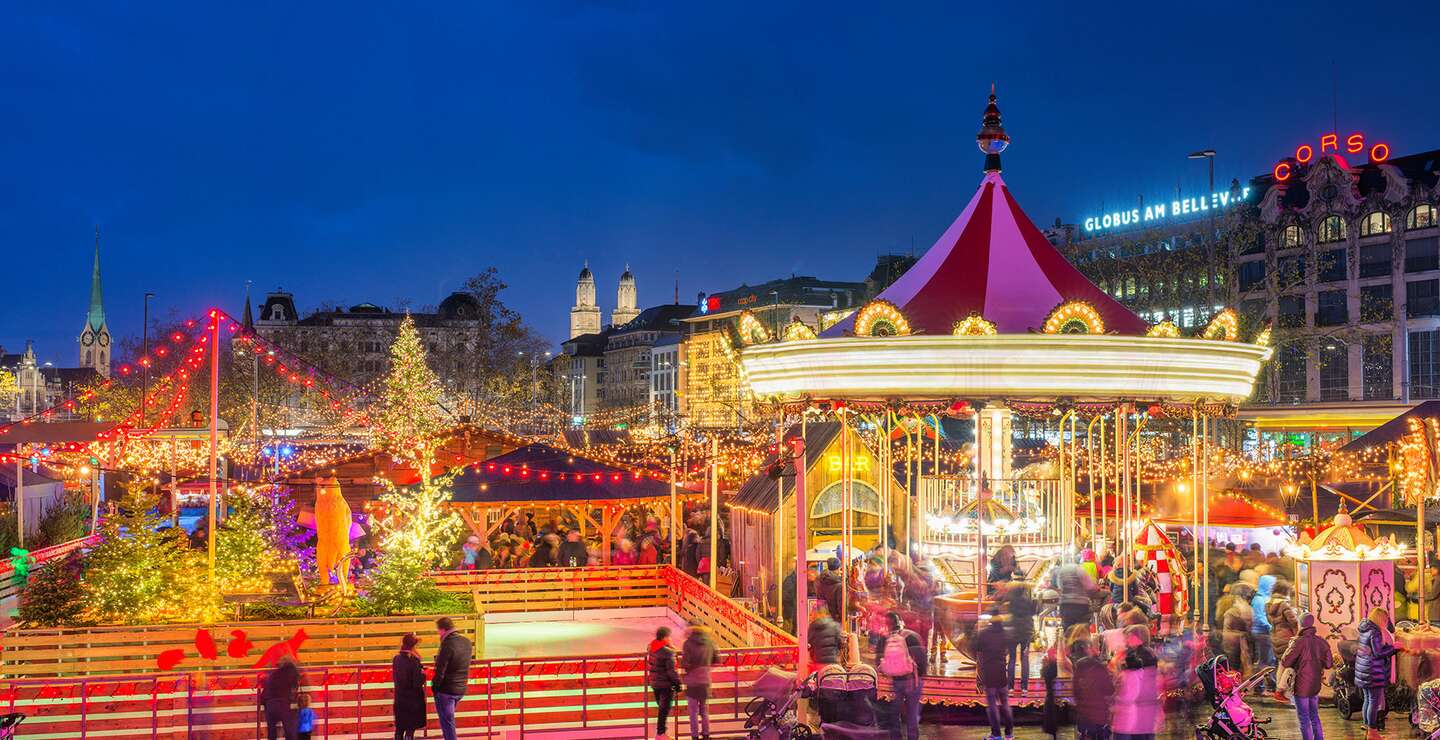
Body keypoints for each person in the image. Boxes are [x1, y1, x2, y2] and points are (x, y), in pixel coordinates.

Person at [1281, 613, 1332, 740]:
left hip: (1300, 685)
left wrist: (1290, 646)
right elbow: (1329, 664)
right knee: (1314, 716)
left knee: (1304, 718)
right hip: (1315, 685)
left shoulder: (1298, 642)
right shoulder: (1322, 642)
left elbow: (1285, 662)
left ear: (1300, 624)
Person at [879, 611, 925, 740]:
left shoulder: (887, 638)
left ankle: (895, 737)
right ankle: (912, 737)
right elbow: (921, 659)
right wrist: (919, 675)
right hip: (912, 680)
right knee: (912, 714)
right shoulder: (912, 636)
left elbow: (880, 660)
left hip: (896, 680)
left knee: (894, 713)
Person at [1111, 624, 1161, 740]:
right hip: (1143, 709)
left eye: (1129, 636)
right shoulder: (1142, 653)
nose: (1126, 640)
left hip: (1139, 708)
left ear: (1137, 637)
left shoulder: (1142, 655)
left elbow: (1136, 684)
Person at [1355, 606, 1397, 739]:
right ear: (1380, 619)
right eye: (1385, 619)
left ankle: (1368, 727)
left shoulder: (1365, 628)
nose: (1386, 621)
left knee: (1368, 699)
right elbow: (1379, 653)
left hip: (1365, 670)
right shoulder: (1375, 632)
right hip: (1373, 672)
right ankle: (1373, 732)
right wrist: (1395, 648)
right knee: (1373, 701)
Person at [432, 617, 473, 740]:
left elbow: (441, 669)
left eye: (438, 630)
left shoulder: (447, 644)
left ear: (443, 629)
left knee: (447, 723)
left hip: (447, 690)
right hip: (460, 688)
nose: (438, 633)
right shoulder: (466, 642)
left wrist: (435, 687)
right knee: (448, 720)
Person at [975, 613, 1013, 740]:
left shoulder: (984, 634)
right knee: (1005, 704)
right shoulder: (1005, 634)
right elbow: (1008, 650)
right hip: (1002, 673)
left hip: (989, 673)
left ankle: (996, 734)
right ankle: (1009, 733)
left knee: (992, 706)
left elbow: (977, 650)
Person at [681, 624, 720, 740]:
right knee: (704, 711)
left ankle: (694, 736)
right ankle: (706, 734)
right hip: (705, 680)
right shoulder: (711, 642)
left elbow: (685, 663)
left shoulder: (687, 643)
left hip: (692, 682)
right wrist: (706, 669)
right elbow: (717, 660)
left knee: (693, 712)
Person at [1071, 636, 1114, 740]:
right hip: (1099, 714)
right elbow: (1109, 690)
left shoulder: (1078, 669)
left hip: (1084, 715)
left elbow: (1076, 692)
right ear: (1089, 649)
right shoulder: (1100, 668)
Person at [647, 626, 681, 740]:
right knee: (664, 710)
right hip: (665, 684)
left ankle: (661, 733)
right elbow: (671, 671)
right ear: (665, 637)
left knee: (662, 709)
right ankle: (660, 734)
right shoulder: (668, 653)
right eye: (669, 636)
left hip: (655, 682)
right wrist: (678, 684)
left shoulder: (651, 647)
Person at [392, 633, 427, 740]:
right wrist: (423, 674)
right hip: (413, 700)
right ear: (413, 646)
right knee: (410, 731)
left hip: (400, 698)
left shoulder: (396, 659)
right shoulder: (414, 661)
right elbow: (417, 682)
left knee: (399, 729)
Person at [1003, 581, 1036, 693]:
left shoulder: (1011, 601)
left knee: (1012, 659)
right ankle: (1024, 687)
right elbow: (1033, 612)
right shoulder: (1028, 601)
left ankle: (1010, 687)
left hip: (1013, 632)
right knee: (1024, 659)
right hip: (1026, 632)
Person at [260, 654, 302, 740]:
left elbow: (263, 695)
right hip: (282, 703)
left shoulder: (273, 674)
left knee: (272, 732)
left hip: (269, 704)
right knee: (289, 730)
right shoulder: (291, 670)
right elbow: (295, 686)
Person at [1052, 554, 1097, 630]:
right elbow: (1089, 587)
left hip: (1065, 605)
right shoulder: (1079, 569)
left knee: (1068, 631)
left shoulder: (1061, 571)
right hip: (1079, 605)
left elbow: (1060, 586)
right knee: (1081, 631)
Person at [1249, 575, 1277, 693]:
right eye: (1271, 585)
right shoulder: (1260, 599)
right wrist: (1270, 627)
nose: (1272, 588)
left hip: (1260, 632)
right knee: (1265, 660)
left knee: (1266, 660)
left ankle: (1262, 684)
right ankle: (1259, 685)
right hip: (1262, 633)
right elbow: (1259, 617)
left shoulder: (1260, 598)